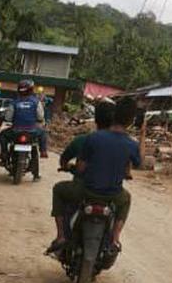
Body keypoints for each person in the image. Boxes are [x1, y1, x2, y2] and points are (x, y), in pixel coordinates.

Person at [47, 97, 140, 254]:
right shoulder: (131, 144)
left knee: (58, 189)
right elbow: (135, 165)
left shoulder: (91, 138)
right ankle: (115, 239)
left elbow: (80, 168)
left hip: (86, 190)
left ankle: (61, 235)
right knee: (126, 199)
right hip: (113, 194)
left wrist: (72, 168)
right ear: (131, 121)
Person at [0, 79, 48, 173]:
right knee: (43, 133)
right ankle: (43, 151)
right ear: (31, 90)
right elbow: (40, 116)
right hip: (32, 132)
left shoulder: (14, 102)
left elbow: (8, 118)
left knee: (2, 135)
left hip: (15, 131)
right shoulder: (36, 102)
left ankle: (4, 153)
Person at [59, 99, 114, 179]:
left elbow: (63, 161)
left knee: (59, 186)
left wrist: (70, 167)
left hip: (84, 184)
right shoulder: (124, 144)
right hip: (111, 186)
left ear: (95, 119)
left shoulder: (82, 140)